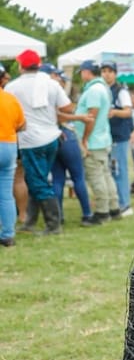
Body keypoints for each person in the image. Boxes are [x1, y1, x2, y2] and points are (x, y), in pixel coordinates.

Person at [6, 49, 75, 235]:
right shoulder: (51, 83)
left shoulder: (12, 87)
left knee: (37, 182)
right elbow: (67, 106)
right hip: (52, 137)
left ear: (20, 66)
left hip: (30, 140)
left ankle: (54, 225)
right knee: (36, 178)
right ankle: (30, 221)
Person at [43, 64, 99, 227]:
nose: (60, 80)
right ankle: (87, 215)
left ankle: (59, 217)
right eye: (58, 76)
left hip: (52, 137)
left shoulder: (38, 92)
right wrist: (79, 117)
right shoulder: (53, 90)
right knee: (78, 177)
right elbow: (59, 115)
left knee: (58, 179)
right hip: (66, 135)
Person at [74, 60, 118, 223]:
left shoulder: (93, 90)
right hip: (102, 138)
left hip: (93, 140)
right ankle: (113, 207)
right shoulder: (103, 88)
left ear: (86, 72)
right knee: (106, 174)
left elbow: (91, 116)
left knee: (96, 176)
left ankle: (102, 212)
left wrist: (84, 138)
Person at [100, 61, 134, 218]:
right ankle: (113, 202)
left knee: (119, 170)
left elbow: (128, 111)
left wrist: (113, 112)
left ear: (115, 73)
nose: (106, 74)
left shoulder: (121, 91)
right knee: (109, 171)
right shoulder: (102, 89)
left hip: (119, 136)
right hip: (107, 136)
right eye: (104, 71)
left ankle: (124, 204)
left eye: (110, 71)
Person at [0, 64, 26, 246]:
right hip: (9, 146)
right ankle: (8, 235)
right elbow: (22, 125)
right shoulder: (10, 99)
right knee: (5, 193)